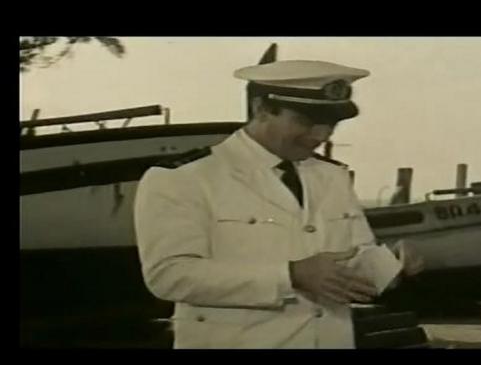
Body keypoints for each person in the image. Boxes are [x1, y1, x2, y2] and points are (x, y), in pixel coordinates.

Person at [134, 59, 423, 349]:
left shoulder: (332, 176)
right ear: (261, 108)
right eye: (305, 121)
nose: (321, 135)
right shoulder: (184, 178)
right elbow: (169, 275)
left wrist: (389, 265)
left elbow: (347, 258)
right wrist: (291, 275)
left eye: (331, 124)